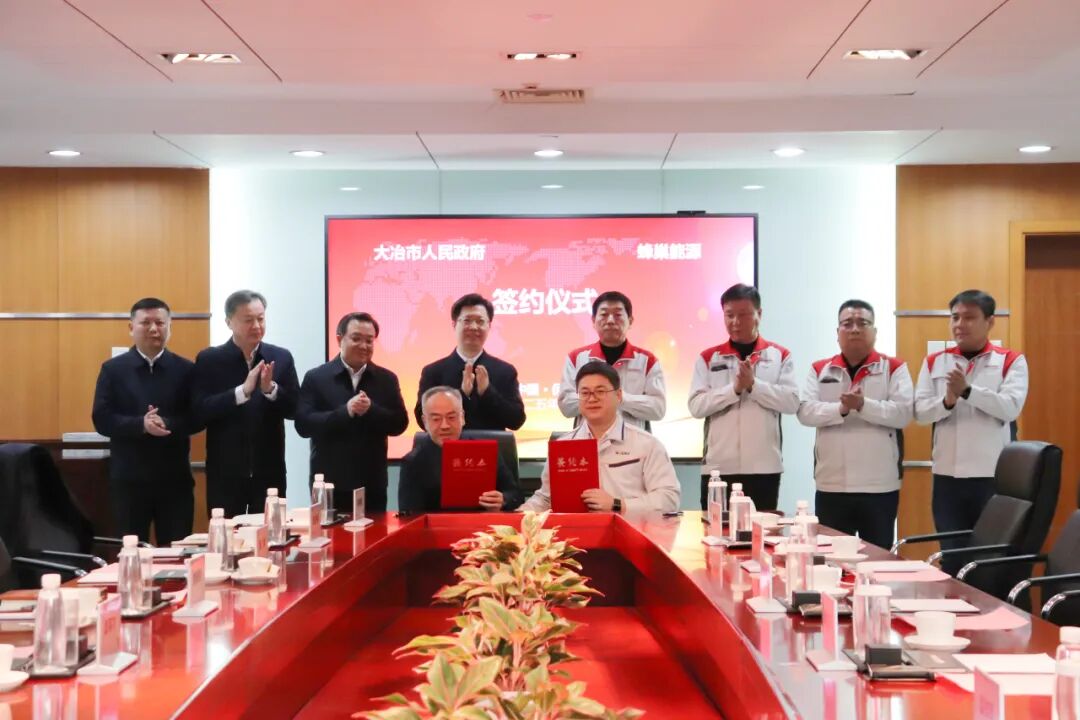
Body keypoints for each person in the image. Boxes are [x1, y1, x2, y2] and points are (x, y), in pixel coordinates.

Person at [915, 289, 1028, 564]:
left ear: (989, 321)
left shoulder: (1010, 361)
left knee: (989, 558)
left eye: (969, 317)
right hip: (947, 476)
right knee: (952, 556)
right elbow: (920, 412)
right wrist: (947, 401)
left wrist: (968, 391)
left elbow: (1010, 408)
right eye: (955, 317)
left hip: (990, 476)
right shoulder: (935, 361)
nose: (959, 324)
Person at [797, 300, 913, 549]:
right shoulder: (820, 369)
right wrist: (840, 409)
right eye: (847, 324)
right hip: (832, 484)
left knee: (877, 558)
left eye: (863, 323)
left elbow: (903, 414)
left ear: (875, 331)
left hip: (879, 485)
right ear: (837, 332)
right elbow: (805, 412)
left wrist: (863, 405)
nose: (855, 329)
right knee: (832, 559)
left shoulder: (894, 368)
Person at [91, 298, 198, 544]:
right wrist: (141, 425)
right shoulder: (113, 370)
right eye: (145, 323)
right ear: (131, 328)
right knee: (132, 551)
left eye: (160, 323)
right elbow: (102, 418)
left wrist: (167, 424)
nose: (153, 329)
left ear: (170, 327)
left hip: (175, 482)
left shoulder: (186, 369)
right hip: (129, 481)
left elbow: (197, 417)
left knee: (177, 551)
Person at [688, 283, 799, 511]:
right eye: (729, 315)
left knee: (761, 530)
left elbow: (791, 402)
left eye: (744, 315)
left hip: (764, 469)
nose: (736, 322)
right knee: (715, 530)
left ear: (759, 314)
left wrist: (754, 386)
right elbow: (696, 406)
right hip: (718, 470)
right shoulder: (708, 358)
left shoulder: (780, 356)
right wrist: (734, 390)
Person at [192, 290, 299, 517]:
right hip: (225, 473)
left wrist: (271, 390)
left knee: (272, 534)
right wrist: (241, 392)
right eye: (248, 320)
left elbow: (295, 409)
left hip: (269, 471)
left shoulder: (280, 357)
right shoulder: (210, 359)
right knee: (226, 534)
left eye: (261, 318)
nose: (257, 326)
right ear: (229, 322)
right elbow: (200, 411)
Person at [521, 361, 680, 513]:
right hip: (577, 531)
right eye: (585, 393)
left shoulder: (647, 444)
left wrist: (618, 505)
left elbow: (668, 498)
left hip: (629, 530)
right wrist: (518, 516)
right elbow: (546, 499)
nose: (592, 398)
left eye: (600, 391)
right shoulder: (563, 446)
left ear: (618, 395)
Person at [295, 312, 409, 513]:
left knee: (375, 532)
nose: (364, 346)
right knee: (328, 533)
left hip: (372, 483)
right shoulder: (317, 377)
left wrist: (371, 410)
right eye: (356, 338)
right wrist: (345, 412)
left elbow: (400, 423)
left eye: (369, 341)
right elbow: (303, 425)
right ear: (339, 339)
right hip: (328, 484)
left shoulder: (386, 379)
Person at [414, 293, 526, 431]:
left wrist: (487, 392)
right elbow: (422, 420)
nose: (473, 327)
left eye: (480, 321)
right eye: (467, 320)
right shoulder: (433, 372)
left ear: (489, 326)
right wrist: (461, 395)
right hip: (447, 444)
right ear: (454, 324)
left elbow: (516, 421)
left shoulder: (505, 371)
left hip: (492, 444)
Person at [399, 386, 520, 513]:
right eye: (436, 419)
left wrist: (503, 500)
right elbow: (410, 515)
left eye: (451, 417)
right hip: (437, 525)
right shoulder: (413, 462)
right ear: (425, 421)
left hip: (483, 523)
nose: (445, 426)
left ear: (462, 417)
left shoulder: (484, 451)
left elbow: (515, 494)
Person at [558, 291, 665, 431]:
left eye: (618, 315)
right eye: (603, 314)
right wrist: (602, 397)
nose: (610, 320)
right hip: (589, 441)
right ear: (593, 321)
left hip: (633, 441)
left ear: (630, 321)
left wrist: (621, 398)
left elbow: (658, 409)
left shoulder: (647, 361)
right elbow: (565, 405)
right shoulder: (576, 358)